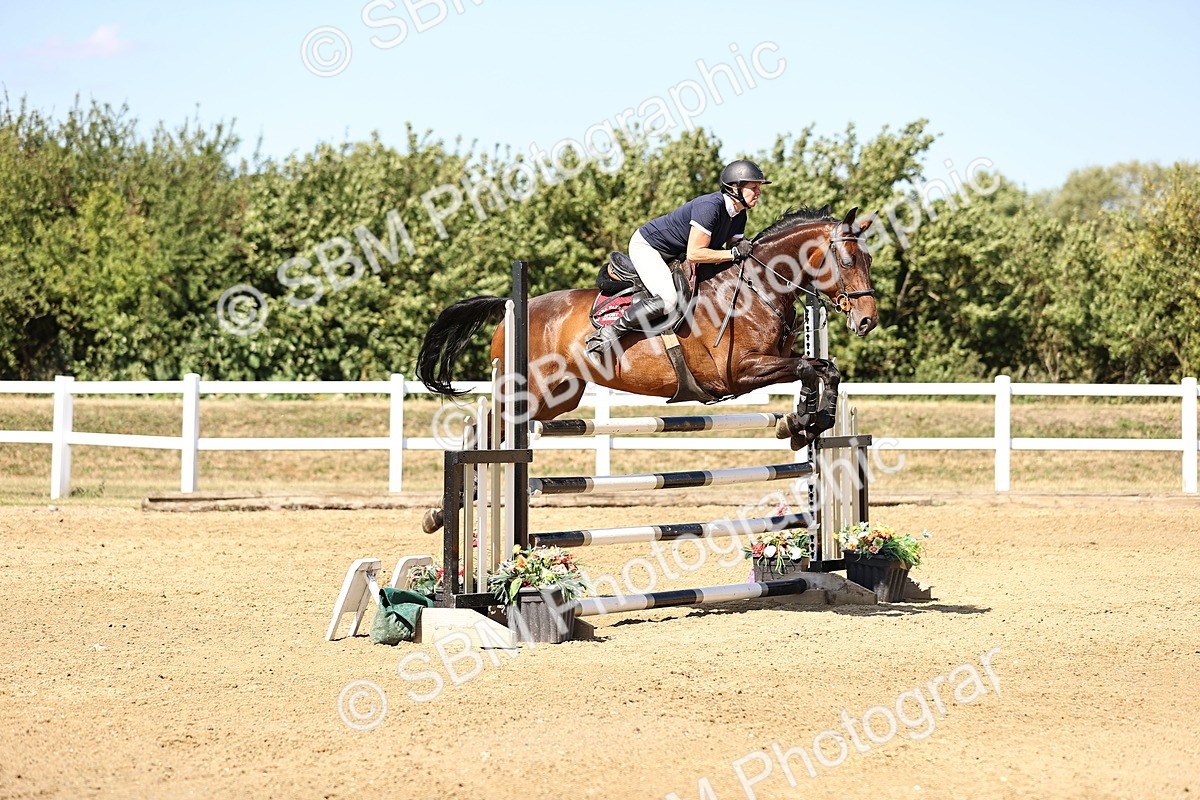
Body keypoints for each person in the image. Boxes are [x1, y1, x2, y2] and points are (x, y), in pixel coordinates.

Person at [584, 159, 771, 360]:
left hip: (675, 253)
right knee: (668, 300)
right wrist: (733, 253)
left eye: (759, 188)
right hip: (649, 246)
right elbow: (696, 253)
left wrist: (741, 249)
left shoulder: (739, 215)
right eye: (754, 187)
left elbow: (733, 251)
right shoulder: (710, 207)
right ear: (734, 188)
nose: (759, 193)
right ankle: (606, 335)